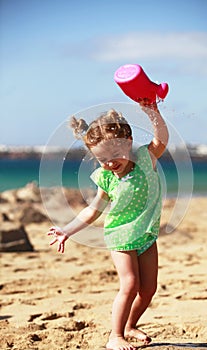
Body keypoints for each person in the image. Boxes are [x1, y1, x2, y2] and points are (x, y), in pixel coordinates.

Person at [47, 100, 169, 350]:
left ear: (129, 142)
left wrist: (152, 111)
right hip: (120, 235)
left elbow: (162, 138)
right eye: (102, 159)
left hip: (146, 234)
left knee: (148, 290)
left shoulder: (146, 158)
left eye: (116, 155)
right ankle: (115, 336)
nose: (111, 163)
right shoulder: (106, 178)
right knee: (130, 284)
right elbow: (93, 210)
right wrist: (66, 230)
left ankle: (130, 326)